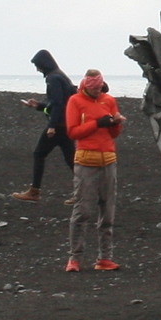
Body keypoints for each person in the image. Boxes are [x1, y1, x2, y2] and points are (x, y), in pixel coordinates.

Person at [64, 70, 124, 272]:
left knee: (107, 212)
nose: (97, 91)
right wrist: (97, 123)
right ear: (86, 86)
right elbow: (73, 131)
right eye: (94, 88)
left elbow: (114, 134)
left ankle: (104, 258)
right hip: (85, 160)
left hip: (108, 160)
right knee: (82, 210)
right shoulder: (75, 101)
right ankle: (75, 258)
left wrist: (115, 123)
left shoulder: (109, 100)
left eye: (100, 88)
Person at [12, 50, 76, 204]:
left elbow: (58, 104)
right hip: (66, 124)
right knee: (71, 160)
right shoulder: (59, 75)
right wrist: (39, 106)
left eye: (38, 66)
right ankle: (87, 191)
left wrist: (52, 126)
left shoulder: (53, 78)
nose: (37, 69)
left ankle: (34, 192)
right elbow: (57, 103)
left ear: (44, 64)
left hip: (59, 125)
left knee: (39, 154)